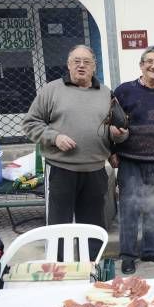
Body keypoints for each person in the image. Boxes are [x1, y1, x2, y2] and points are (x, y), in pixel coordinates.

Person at [23, 45, 117, 261]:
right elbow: (30, 123)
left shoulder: (106, 93)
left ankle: (94, 268)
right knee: (59, 226)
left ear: (94, 66)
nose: (81, 65)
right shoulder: (52, 90)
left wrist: (114, 144)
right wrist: (54, 137)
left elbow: (113, 128)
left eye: (86, 61)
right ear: (68, 65)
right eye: (76, 61)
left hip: (95, 170)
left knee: (94, 226)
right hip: (61, 170)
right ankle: (59, 270)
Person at [109, 46, 154, 275]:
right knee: (130, 208)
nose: (153, 66)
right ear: (141, 65)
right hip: (131, 160)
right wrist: (111, 151)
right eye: (149, 61)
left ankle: (152, 250)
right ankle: (128, 255)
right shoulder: (124, 91)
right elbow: (109, 124)